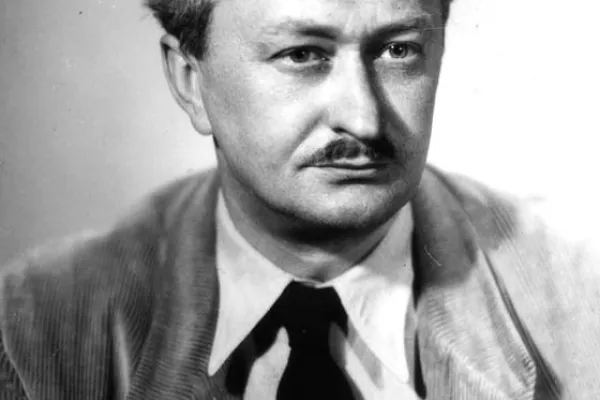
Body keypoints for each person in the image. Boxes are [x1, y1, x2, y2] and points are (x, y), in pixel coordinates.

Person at [0, 0, 599, 398]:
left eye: (398, 49)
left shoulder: (583, 305)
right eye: (302, 54)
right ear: (190, 81)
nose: (363, 119)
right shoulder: (33, 326)